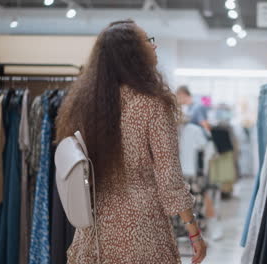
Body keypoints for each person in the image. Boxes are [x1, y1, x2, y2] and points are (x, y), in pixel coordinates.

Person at [55, 20, 207, 264]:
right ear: (132, 54)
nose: (154, 47)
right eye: (148, 41)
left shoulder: (86, 104)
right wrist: (194, 232)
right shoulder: (152, 104)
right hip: (142, 232)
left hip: (95, 232)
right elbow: (169, 179)